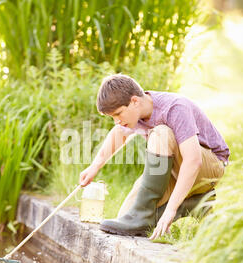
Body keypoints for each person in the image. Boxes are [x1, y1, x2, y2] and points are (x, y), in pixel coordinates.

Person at [79, 74, 230, 240]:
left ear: (135, 101)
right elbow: (119, 133)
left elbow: (193, 161)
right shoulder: (134, 115)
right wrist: (94, 167)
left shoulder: (174, 108)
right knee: (127, 221)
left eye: (118, 114)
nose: (117, 121)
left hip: (209, 169)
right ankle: (195, 204)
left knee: (161, 133)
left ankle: (185, 202)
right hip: (174, 170)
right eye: (112, 117)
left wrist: (171, 209)